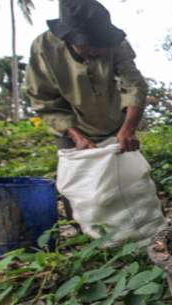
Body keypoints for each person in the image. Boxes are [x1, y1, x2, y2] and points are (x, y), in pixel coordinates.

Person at [25, 0, 148, 220]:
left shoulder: (116, 44)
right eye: (89, 45)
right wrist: (76, 136)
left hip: (114, 123)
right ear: (69, 38)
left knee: (131, 183)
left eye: (101, 45)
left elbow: (134, 86)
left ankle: (143, 228)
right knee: (80, 186)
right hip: (70, 126)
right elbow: (44, 99)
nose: (97, 50)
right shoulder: (44, 48)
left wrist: (128, 129)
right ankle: (85, 235)